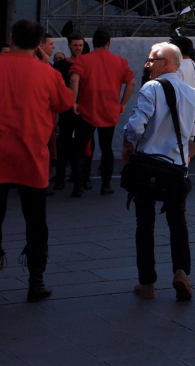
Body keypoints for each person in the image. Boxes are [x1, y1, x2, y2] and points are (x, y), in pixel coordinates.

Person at [122, 42, 195, 301]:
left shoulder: (151, 87)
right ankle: (181, 273)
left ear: (167, 63)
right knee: (178, 223)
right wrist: (187, 153)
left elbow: (135, 128)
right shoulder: (193, 94)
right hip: (176, 170)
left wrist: (128, 141)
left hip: (147, 167)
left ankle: (147, 284)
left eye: (152, 59)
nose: (147, 64)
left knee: (145, 225)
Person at [0, 19, 73, 301]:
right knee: (35, 221)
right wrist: (46, 65)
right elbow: (65, 103)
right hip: (31, 156)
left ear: (11, 38)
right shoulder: (47, 73)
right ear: (40, 44)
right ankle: (36, 281)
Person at [68, 29, 135, 197]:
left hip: (86, 109)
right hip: (109, 110)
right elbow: (131, 82)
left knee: (79, 147)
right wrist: (123, 103)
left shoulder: (83, 59)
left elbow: (74, 79)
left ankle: (78, 185)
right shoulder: (119, 61)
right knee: (106, 148)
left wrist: (74, 101)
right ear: (108, 43)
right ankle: (106, 184)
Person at [52, 34, 85, 190]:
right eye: (75, 45)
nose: (78, 48)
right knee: (63, 145)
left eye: (80, 45)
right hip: (65, 110)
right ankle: (60, 178)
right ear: (69, 46)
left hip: (82, 111)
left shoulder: (86, 64)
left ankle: (79, 181)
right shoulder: (59, 67)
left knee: (80, 147)